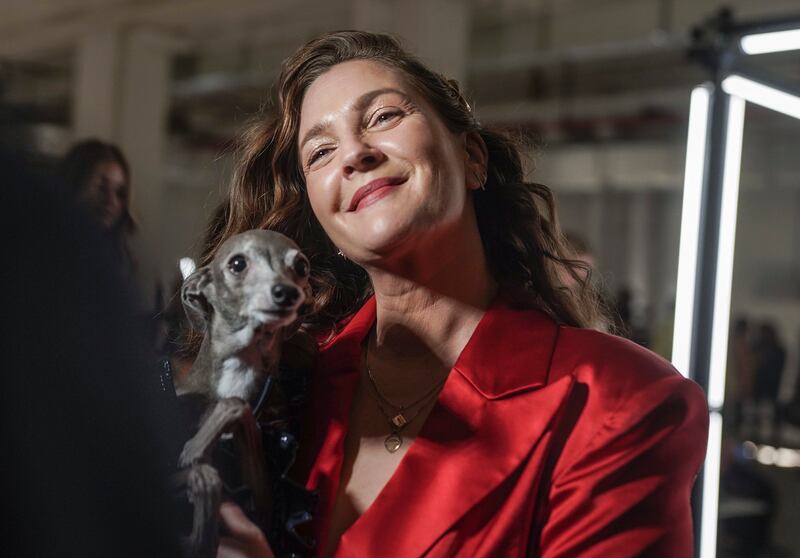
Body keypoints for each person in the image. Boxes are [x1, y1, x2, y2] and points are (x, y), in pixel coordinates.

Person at [203, 31, 709, 557]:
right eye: (322, 152)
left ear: (471, 158)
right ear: (324, 218)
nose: (354, 153)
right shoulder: (289, 391)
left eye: (383, 117)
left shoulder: (617, 399)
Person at [60, 139, 137, 278]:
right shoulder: (46, 252)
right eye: (101, 188)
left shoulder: (121, 260)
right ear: (75, 183)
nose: (111, 201)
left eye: (120, 193)